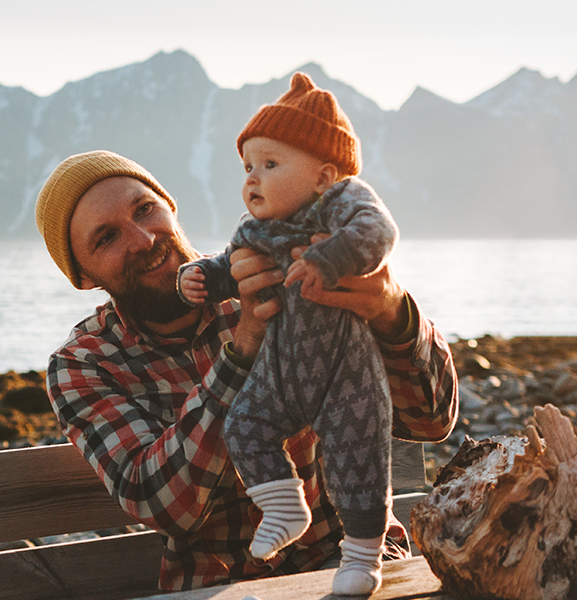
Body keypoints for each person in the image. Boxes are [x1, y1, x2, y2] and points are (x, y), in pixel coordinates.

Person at [33, 148, 457, 592]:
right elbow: (162, 504)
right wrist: (244, 347)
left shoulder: (280, 267)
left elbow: (431, 420)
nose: (143, 240)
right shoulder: (84, 363)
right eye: (106, 238)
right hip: (220, 589)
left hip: (353, 568)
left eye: (145, 209)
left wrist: (390, 309)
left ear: (170, 207)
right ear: (82, 276)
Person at [176, 72, 399, 595]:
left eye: (270, 165)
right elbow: (230, 264)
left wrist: (332, 256)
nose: (252, 179)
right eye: (248, 166)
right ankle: (283, 507)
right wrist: (203, 277)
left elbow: (378, 230)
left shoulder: (339, 204)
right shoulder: (256, 229)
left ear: (324, 176)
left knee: (358, 461)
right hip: (280, 368)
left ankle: (363, 559)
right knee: (246, 424)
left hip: (344, 372)